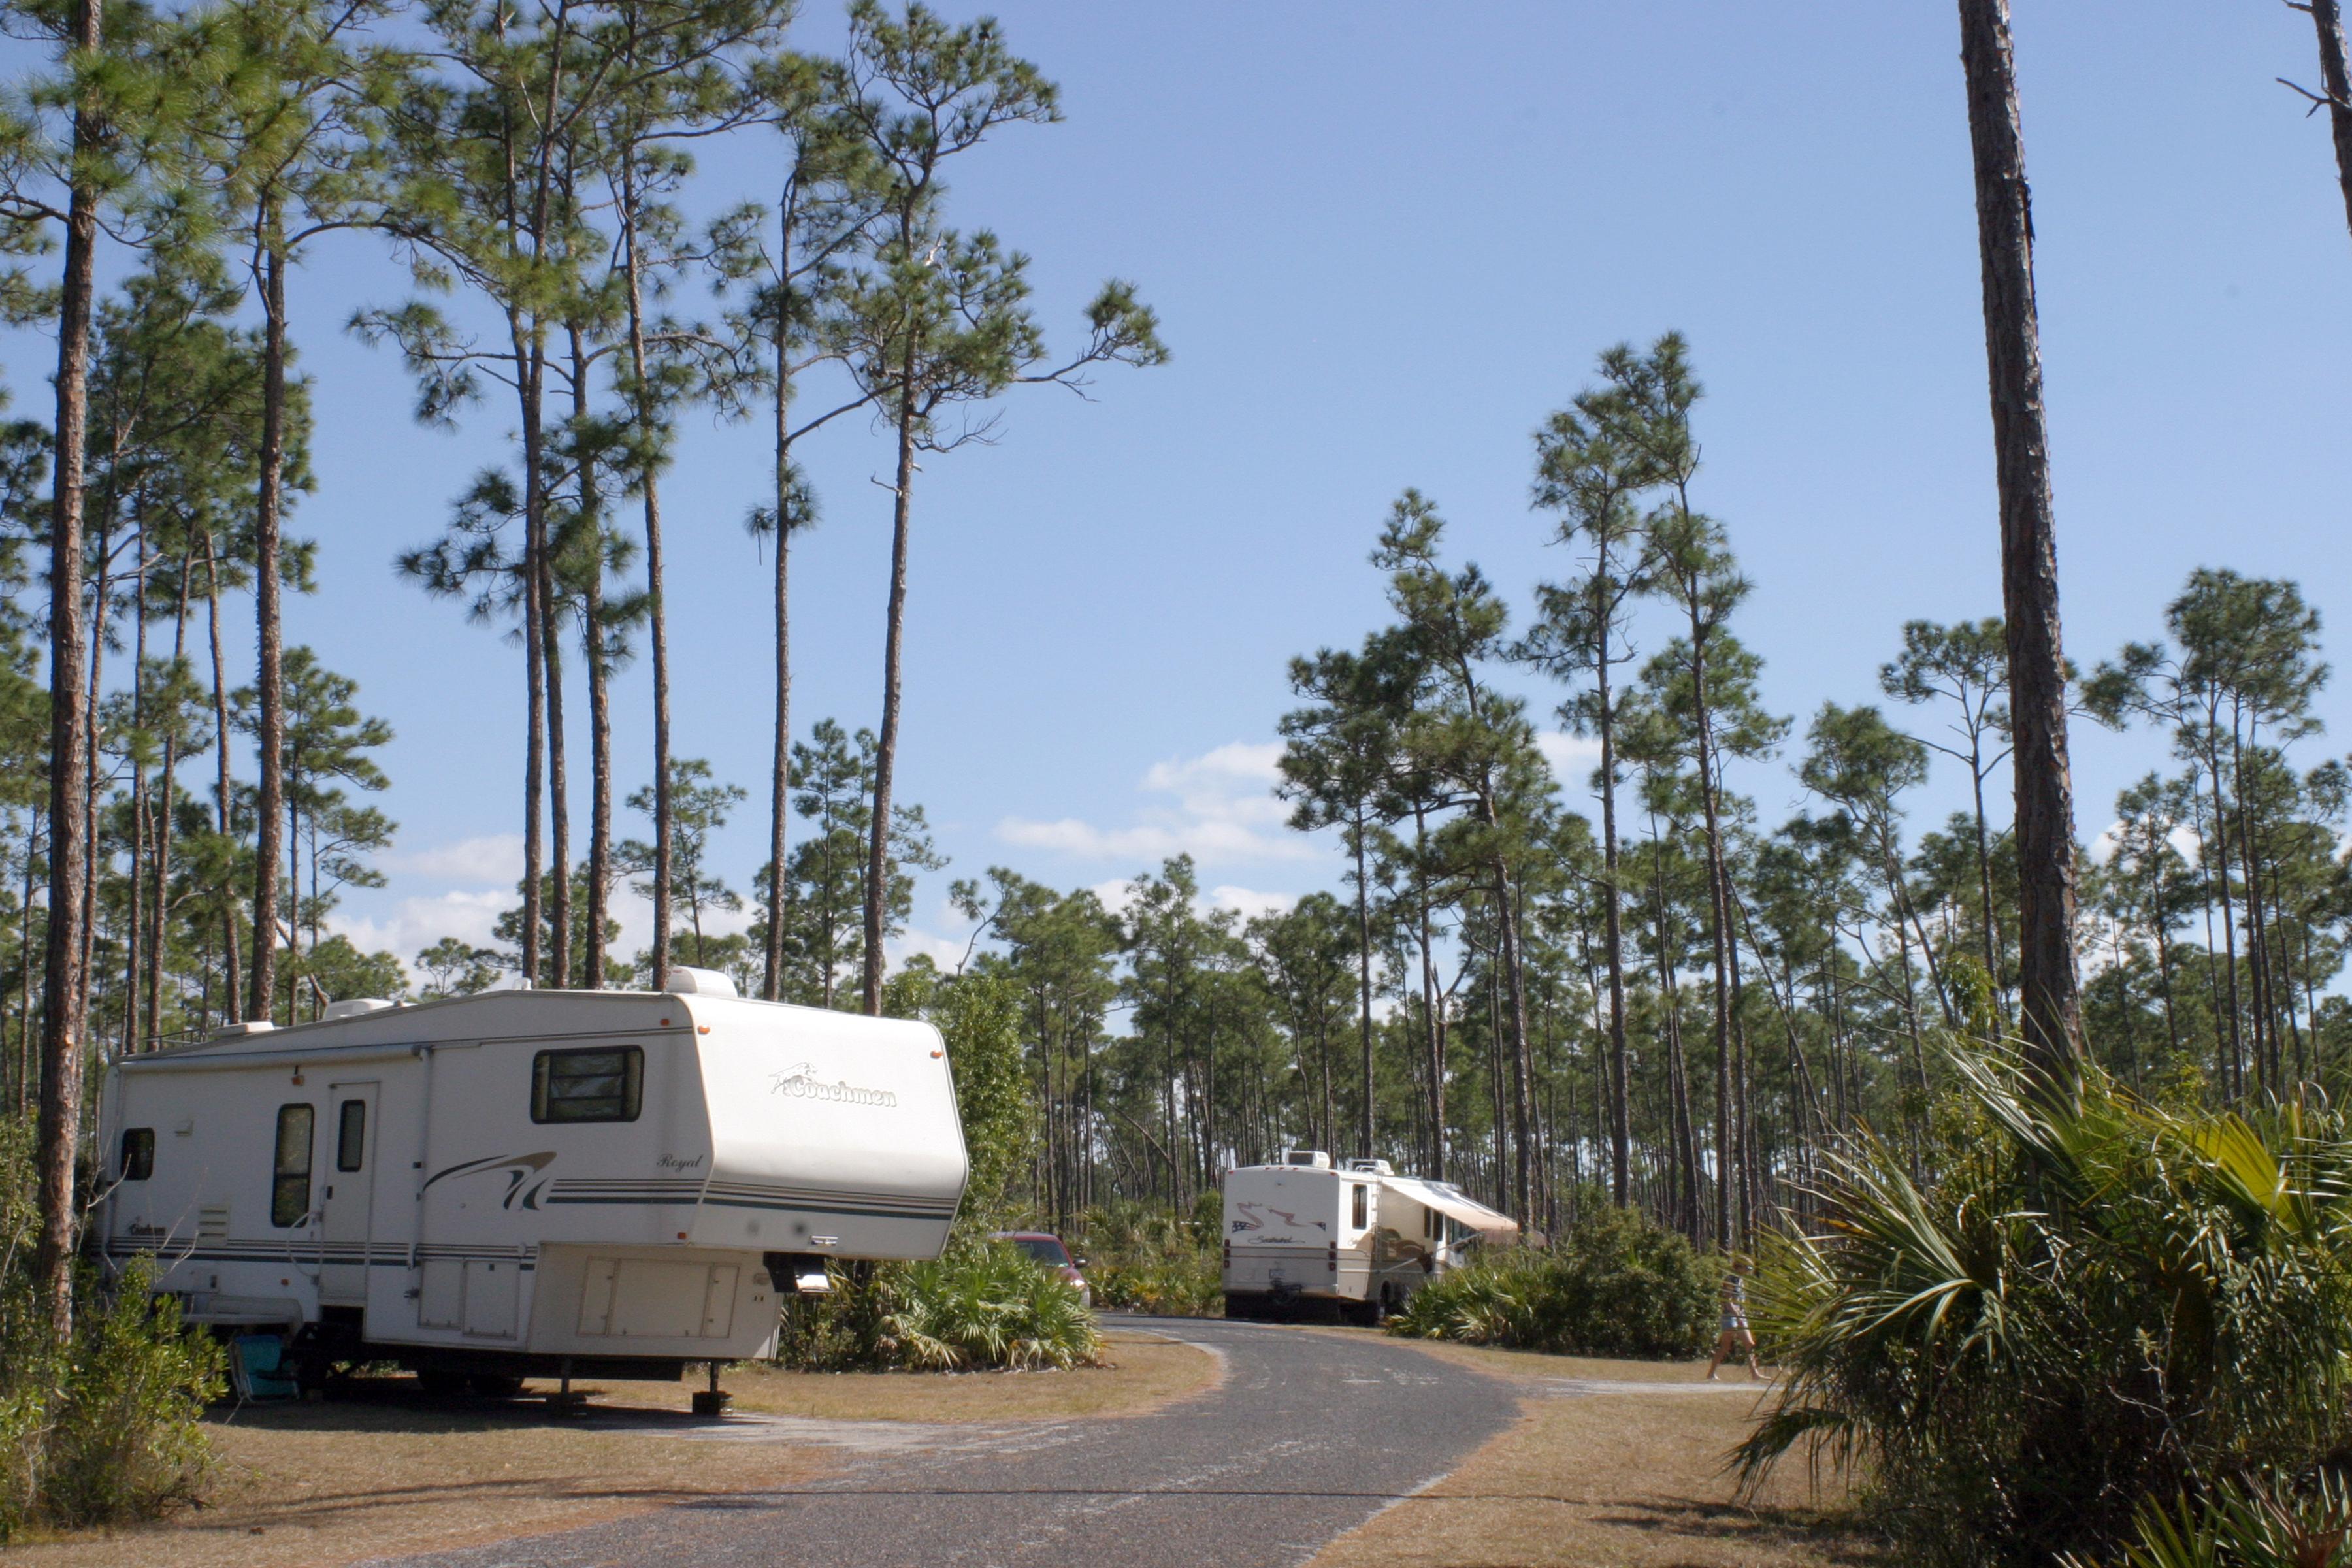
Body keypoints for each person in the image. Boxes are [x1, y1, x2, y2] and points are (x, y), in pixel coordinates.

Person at [1705, 1258, 1766, 1381]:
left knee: (1749, 1344)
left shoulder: (1740, 1280)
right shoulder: (1730, 1279)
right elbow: (1728, 1301)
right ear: (1739, 1267)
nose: (1749, 1271)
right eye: (1747, 1268)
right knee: (1725, 1347)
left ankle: (1755, 1374)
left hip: (1740, 1315)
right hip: (1730, 1317)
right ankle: (1711, 1373)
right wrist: (1737, 1316)